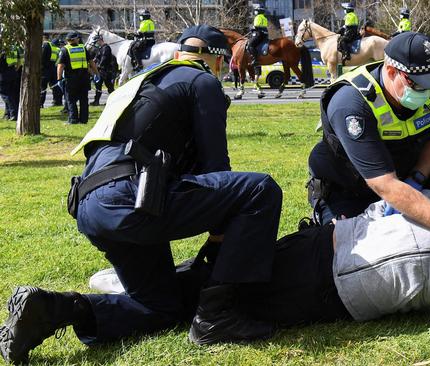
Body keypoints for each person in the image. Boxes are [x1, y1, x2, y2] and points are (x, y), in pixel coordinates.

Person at [0, 25, 283, 364]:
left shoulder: (144, 80)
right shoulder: (202, 80)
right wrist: (222, 233)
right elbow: (215, 169)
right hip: (130, 196)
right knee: (259, 189)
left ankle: (53, 308)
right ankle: (218, 316)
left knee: (160, 307)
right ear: (215, 58)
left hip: (91, 204)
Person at [87, 190, 430, 337]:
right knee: (227, 276)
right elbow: (402, 196)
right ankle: (143, 286)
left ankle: (122, 299)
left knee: (232, 303)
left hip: (331, 297)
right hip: (326, 246)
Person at [307, 31, 430, 262]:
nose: (426, 92)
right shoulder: (351, 103)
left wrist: (417, 178)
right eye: (419, 85)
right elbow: (384, 185)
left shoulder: (424, 84)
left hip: (405, 170)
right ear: (392, 71)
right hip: (352, 185)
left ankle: (426, 236)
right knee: (350, 257)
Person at [56, 31, 99, 124]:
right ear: (76, 39)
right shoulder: (83, 48)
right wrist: (96, 74)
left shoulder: (65, 50)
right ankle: (83, 119)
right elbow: (91, 63)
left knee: (70, 99)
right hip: (84, 78)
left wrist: (59, 78)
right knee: (84, 99)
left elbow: (60, 66)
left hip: (71, 79)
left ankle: (73, 119)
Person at [90, 34, 115, 106]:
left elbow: (104, 59)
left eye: (96, 42)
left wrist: (99, 66)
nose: (95, 43)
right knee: (98, 86)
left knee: (109, 87)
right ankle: (96, 101)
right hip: (100, 71)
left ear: (99, 40)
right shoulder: (100, 48)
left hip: (106, 71)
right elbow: (97, 58)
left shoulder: (106, 48)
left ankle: (113, 100)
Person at [41, 34, 63, 108]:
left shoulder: (46, 45)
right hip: (53, 69)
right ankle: (57, 101)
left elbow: (43, 58)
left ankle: (40, 104)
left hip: (45, 70)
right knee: (55, 86)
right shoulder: (55, 48)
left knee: (42, 87)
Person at [0, 46, 21, 121]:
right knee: (11, 95)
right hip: (13, 73)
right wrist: (15, 70)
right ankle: (7, 114)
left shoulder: (2, 48)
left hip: (4, 75)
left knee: (5, 95)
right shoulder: (14, 48)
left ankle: (13, 114)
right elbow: (19, 61)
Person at [247, 4, 268, 70]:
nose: (255, 12)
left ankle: (256, 60)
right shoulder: (264, 18)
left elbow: (256, 26)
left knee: (250, 45)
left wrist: (252, 29)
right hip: (265, 34)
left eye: (256, 10)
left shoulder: (258, 17)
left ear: (259, 11)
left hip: (259, 34)